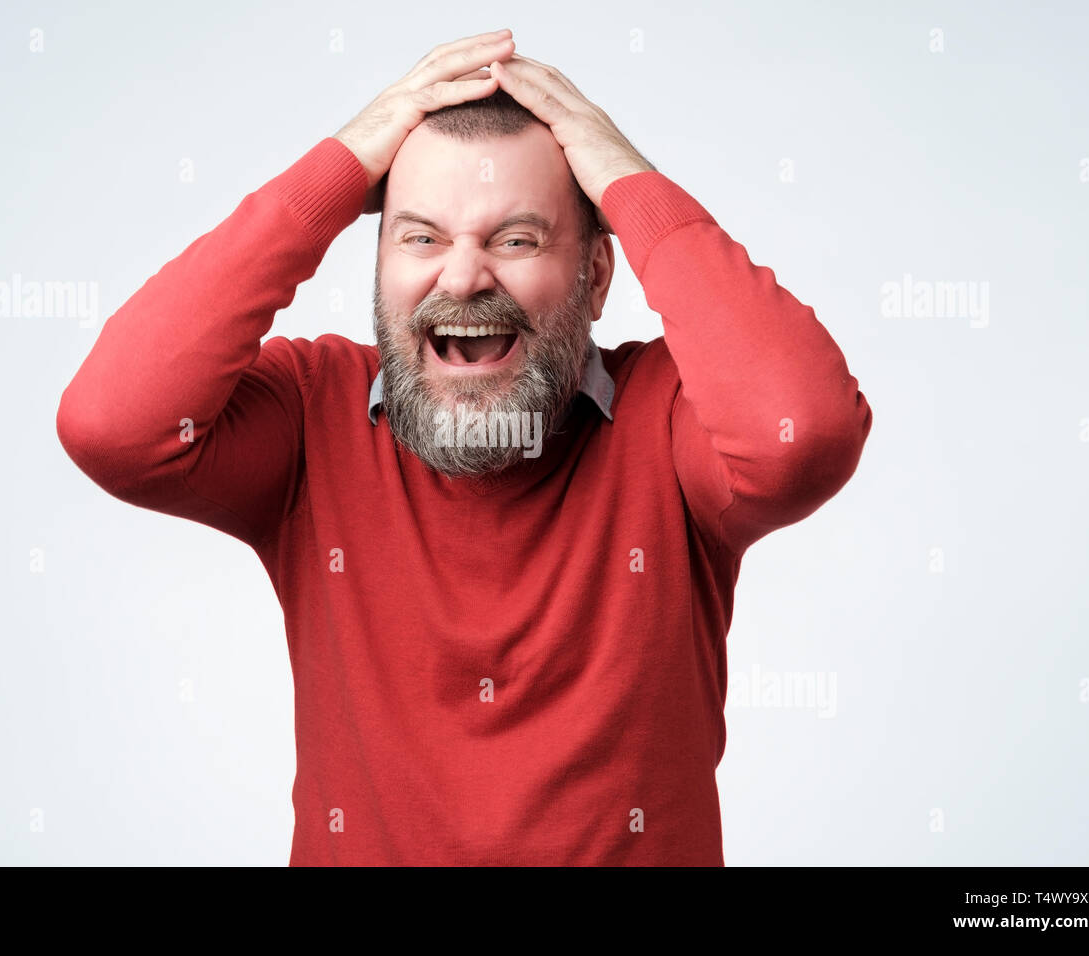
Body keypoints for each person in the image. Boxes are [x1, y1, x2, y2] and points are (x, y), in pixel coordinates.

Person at [56, 28, 873, 866]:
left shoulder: (669, 416)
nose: (461, 277)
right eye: (421, 238)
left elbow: (802, 433)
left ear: (596, 277)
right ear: (375, 263)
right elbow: (113, 427)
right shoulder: (310, 417)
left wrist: (628, 181)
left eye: (515, 240)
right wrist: (337, 170)